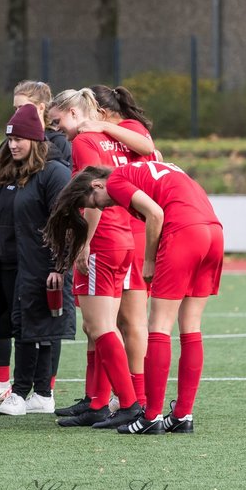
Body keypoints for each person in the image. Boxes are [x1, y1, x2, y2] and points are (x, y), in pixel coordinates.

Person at [45, 161, 223, 434]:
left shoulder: (116, 180)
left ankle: (150, 416)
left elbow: (156, 214)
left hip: (184, 232)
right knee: (191, 326)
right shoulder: (151, 168)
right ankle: (182, 415)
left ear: (97, 184)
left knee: (160, 326)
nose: (101, 208)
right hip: (213, 232)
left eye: (94, 202)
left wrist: (149, 259)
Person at [0, 105, 75, 416]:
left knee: (36, 330)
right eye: (10, 139)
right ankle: (38, 393)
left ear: (35, 140)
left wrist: (59, 267)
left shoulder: (54, 173)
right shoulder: (9, 172)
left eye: (20, 139)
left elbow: (66, 223)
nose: (13, 145)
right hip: (10, 265)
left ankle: (26, 392)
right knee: (24, 328)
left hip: (40, 267)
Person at [46, 88, 145, 431]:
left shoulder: (83, 142)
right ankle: (98, 401)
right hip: (125, 237)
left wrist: (83, 244)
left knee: (101, 326)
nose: (56, 128)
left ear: (74, 113)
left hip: (104, 239)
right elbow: (147, 151)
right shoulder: (113, 139)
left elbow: (92, 197)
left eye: (57, 120)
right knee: (97, 327)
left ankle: (129, 403)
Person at [88, 84, 159, 408]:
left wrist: (104, 127)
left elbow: (147, 146)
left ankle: (138, 396)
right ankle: (116, 395)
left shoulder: (126, 128)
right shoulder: (109, 135)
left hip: (133, 231)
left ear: (103, 112)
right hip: (126, 230)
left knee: (131, 320)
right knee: (114, 321)